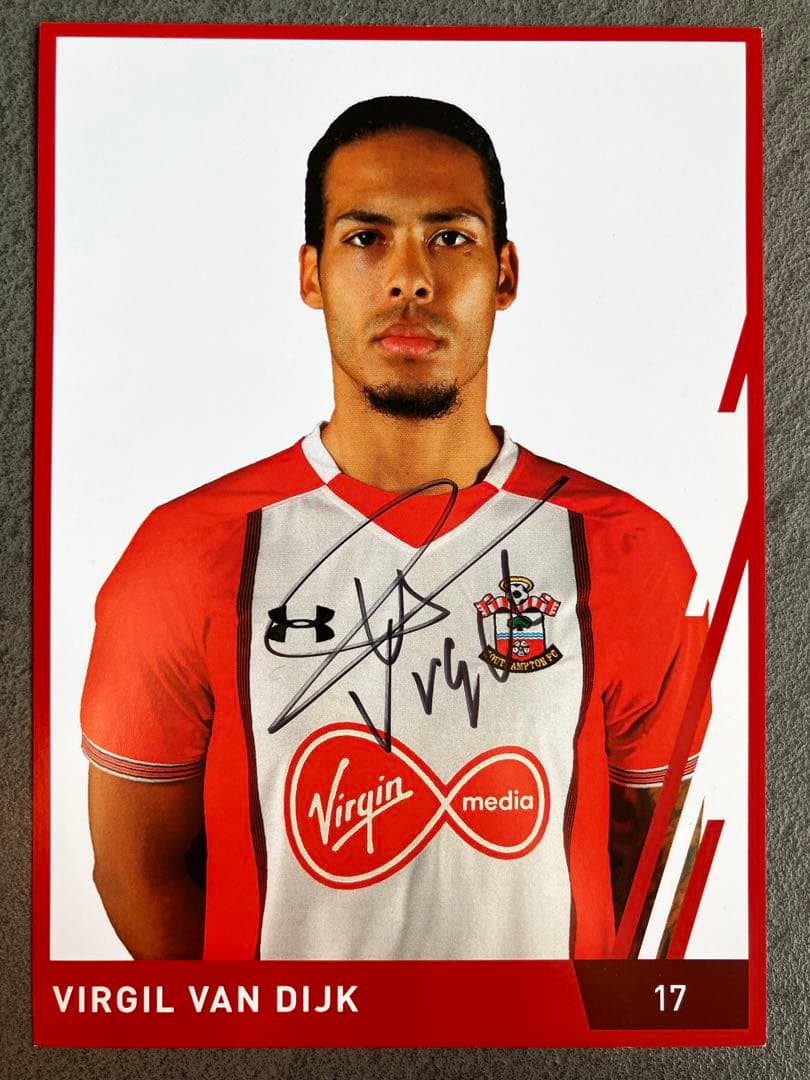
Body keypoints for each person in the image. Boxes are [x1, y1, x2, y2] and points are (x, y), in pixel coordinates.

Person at [82, 96, 709, 961]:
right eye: (365, 237)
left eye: (450, 237)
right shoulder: (183, 554)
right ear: (312, 275)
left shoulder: (630, 549)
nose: (410, 278)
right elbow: (137, 870)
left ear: (505, 273)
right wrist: (263, 1029)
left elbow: (657, 865)